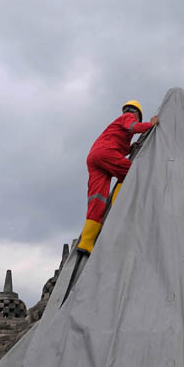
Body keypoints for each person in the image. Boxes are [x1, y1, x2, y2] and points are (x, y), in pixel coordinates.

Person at [77, 99, 159, 254]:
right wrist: (150, 124)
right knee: (132, 173)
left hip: (94, 156)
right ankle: (119, 206)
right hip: (105, 152)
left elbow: (117, 144)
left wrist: (129, 148)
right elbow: (133, 127)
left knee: (97, 199)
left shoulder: (117, 126)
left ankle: (86, 242)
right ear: (136, 114)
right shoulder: (129, 117)